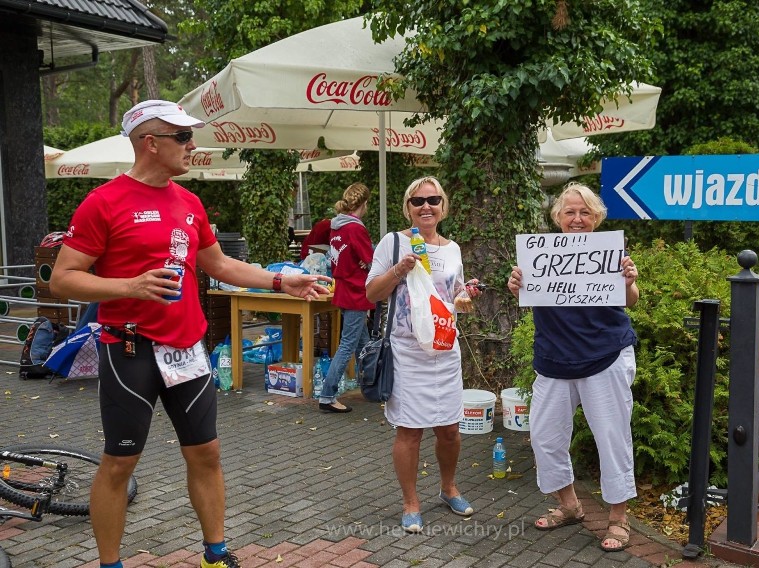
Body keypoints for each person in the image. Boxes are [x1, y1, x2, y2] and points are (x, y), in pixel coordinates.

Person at [49, 99, 331, 568]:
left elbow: (219, 264)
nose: (191, 145)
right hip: (130, 349)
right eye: (182, 137)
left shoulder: (189, 202)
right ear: (150, 143)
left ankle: (216, 554)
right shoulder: (104, 202)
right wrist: (129, 286)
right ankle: (110, 564)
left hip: (188, 350)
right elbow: (62, 277)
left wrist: (283, 279)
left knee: (207, 453)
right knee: (120, 462)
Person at [506, 182, 639, 553]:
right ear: (558, 218)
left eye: (584, 212)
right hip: (553, 358)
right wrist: (518, 285)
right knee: (545, 437)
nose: (577, 218)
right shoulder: (540, 255)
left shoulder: (611, 253)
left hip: (605, 355)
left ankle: (618, 517)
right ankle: (569, 504)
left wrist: (630, 281)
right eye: (570, 212)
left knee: (612, 438)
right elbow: (529, 299)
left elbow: (629, 299)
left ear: (596, 217)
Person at [365, 176, 482, 533]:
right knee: (410, 431)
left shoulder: (453, 249)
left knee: (449, 429)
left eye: (433, 200)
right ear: (408, 208)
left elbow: (455, 294)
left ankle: (448, 488)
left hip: (445, 350)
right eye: (418, 201)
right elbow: (371, 293)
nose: (426, 206)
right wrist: (399, 269)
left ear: (443, 206)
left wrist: (467, 295)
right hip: (407, 350)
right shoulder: (394, 242)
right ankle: (411, 502)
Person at [318, 182, 374, 413]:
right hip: (356, 292)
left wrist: (363, 260)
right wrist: (367, 261)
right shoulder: (356, 228)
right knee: (348, 345)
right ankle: (327, 395)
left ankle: (371, 387)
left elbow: (353, 257)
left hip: (343, 289)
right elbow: (371, 260)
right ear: (365, 204)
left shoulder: (337, 227)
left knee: (364, 344)